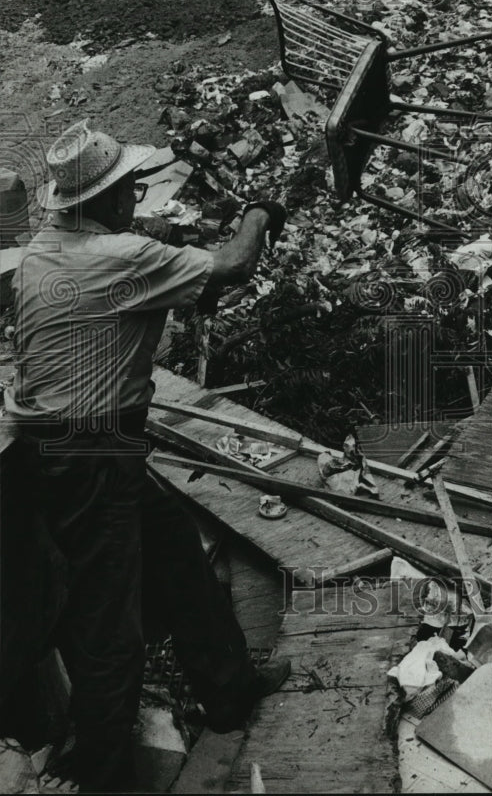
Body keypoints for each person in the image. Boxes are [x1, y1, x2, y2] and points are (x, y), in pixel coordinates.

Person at [4, 120, 290, 794]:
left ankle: (230, 688)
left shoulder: (48, 248)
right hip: (91, 455)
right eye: (130, 188)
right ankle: (104, 777)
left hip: (70, 447)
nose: (137, 196)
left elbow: (135, 255)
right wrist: (259, 213)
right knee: (110, 637)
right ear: (106, 201)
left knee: (175, 556)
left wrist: (169, 239)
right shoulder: (119, 258)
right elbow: (232, 267)